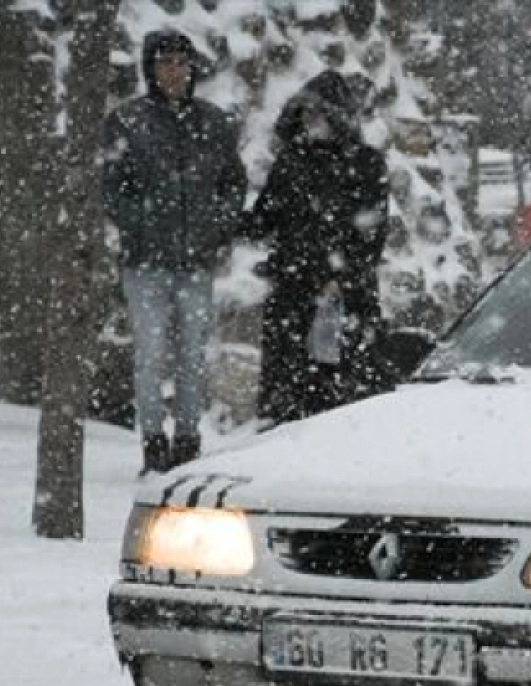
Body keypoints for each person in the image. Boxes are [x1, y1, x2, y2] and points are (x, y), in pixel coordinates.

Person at [101, 29, 247, 474]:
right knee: (148, 354)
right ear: (150, 67)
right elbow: (113, 187)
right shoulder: (127, 121)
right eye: (165, 61)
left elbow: (233, 184)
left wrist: (215, 228)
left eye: (182, 61)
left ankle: (187, 439)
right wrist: (140, 226)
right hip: (145, 263)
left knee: (191, 355)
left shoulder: (214, 122)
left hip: (195, 262)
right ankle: (152, 441)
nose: (174, 70)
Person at [244, 70, 389, 426]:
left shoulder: (366, 163)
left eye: (318, 114)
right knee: (288, 395)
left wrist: (342, 276)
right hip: (293, 294)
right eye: (305, 114)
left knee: (345, 397)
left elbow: (372, 232)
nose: (311, 122)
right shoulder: (291, 162)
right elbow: (266, 218)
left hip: (346, 297)